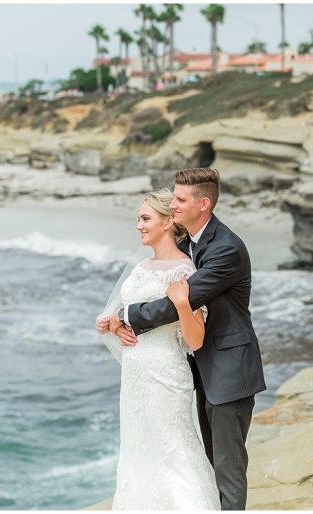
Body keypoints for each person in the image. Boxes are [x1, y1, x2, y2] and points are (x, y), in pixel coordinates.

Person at [108, 167, 266, 510]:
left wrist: (124, 317)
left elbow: (179, 302)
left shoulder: (226, 249)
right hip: (194, 366)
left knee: (227, 466)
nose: (175, 204)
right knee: (207, 459)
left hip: (228, 366)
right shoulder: (187, 243)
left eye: (181, 199)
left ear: (203, 203)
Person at [95, 189, 220, 510]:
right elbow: (128, 313)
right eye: (138, 218)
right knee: (139, 451)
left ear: (168, 222)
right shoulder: (140, 268)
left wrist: (181, 304)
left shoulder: (185, 272)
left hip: (166, 374)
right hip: (135, 376)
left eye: (146, 219)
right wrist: (111, 323)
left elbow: (195, 341)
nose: (139, 225)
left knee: (173, 449)